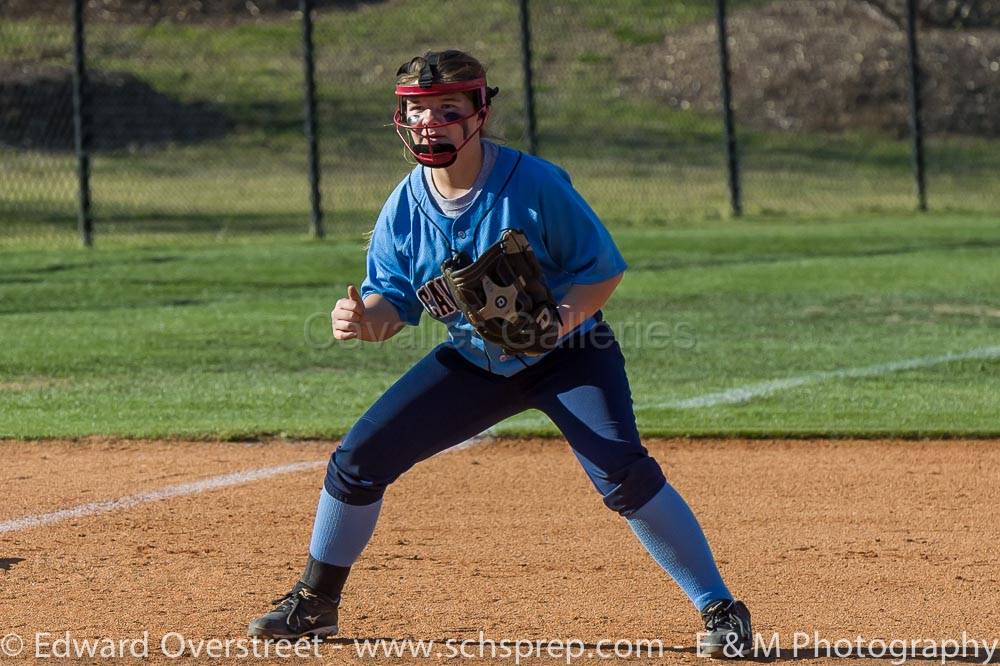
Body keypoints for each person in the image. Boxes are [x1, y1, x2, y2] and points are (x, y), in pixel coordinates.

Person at [248, 49, 752, 657]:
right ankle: (315, 602)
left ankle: (720, 608)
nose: (431, 122)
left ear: (480, 112)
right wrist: (361, 320)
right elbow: (391, 309)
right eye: (417, 110)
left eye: (448, 109)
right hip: (476, 362)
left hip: (572, 353)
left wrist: (557, 324)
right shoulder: (405, 207)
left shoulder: (534, 184)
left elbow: (602, 271)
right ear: (401, 121)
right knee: (358, 459)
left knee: (624, 474)